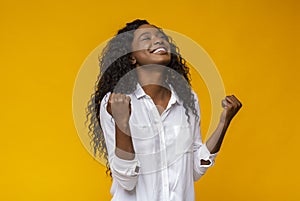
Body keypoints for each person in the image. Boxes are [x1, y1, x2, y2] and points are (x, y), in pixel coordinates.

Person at [86, 19, 242, 201]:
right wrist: (122, 124)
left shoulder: (187, 100)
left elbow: (195, 169)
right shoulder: (115, 102)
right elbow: (126, 181)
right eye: (146, 38)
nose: (158, 40)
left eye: (161, 36)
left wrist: (224, 122)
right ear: (131, 56)